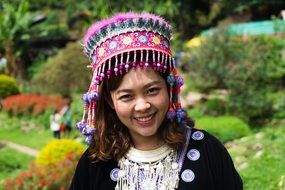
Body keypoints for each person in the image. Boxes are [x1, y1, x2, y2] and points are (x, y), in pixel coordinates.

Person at [70, 12, 243, 190]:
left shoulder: (208, 151)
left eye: (152, 90)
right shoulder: (94, 164)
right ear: (110, 100)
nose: (143, 106)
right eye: (126, 96)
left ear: (169, 88)